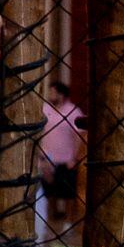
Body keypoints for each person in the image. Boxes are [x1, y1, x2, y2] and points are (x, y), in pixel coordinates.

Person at [41, 80, 87, 230]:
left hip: (66, 158)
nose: (50, 95)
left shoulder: (73, 111)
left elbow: (78, 135)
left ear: (61, 95)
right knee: (48, 192)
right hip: (48, 158)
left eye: (53, 92)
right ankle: (50, 221)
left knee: (67, 192)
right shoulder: (45, 109)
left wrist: (75, 157)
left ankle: (68, 221)